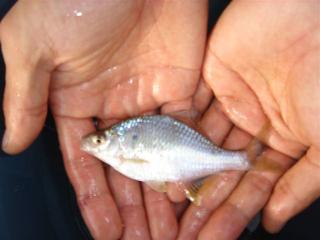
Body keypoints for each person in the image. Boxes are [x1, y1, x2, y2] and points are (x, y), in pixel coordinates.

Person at [0, 0, 319, 240]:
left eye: (99, 140)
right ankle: (243, 160)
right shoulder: (124, 144)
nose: (93, 145)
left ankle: (243, 160)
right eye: (98, 139)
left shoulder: (122, 148)